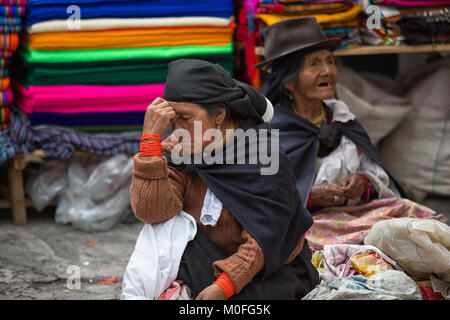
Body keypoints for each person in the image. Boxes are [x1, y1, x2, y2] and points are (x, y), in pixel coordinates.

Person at [130, 59, 319, 300]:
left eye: (185, 117)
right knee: (162, 234)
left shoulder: (263, 158)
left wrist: (225, 286)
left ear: (219, 114)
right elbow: (153, 213)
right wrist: (150, 147)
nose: (176, 128)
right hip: (208, 267)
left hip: (270, 273)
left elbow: (265, 239)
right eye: (172, 119)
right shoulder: (181, 156)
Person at [256, 17, 446, 251]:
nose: (327, 71)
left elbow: (373, 171)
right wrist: (309, 196)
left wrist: (364, 183)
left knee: (418, 219)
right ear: (289, 81)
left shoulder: (342, 119)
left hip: (355, 214)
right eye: (314, 64)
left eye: (330, 61)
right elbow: (262, 192)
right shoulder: (271, 131)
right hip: (308, 222)